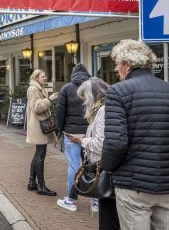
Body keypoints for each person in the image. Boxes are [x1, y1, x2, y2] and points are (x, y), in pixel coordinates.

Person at [101, 39, 169, 230]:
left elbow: (116, 143)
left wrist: (107, 167)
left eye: (117, 63)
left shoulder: (118, 91)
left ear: (128, 64)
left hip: (133, 184)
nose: (116, 69)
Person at [63, 78, 120, 229]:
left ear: (93, 95)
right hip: (103, 165)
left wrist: (81, 141)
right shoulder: (101, 110)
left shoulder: (103, 111)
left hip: (103, 166)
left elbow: (101, 143)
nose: (84, 103)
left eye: (85, 99)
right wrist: (85, 138)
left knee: (109, 214)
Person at [55, 64, 91, 211]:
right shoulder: (93, 87)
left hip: (71, 133)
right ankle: (96, 202)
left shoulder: (66, 88)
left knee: (73, 166)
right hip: (89, 133)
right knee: (91, 166)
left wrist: (60, 129)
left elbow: (60, 112)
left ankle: (71, 200)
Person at [26, 69, 59, 196]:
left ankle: (32, 183)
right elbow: (37, 108)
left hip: (39, 125)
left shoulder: (38, 88)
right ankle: (41, 186)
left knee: (38, 153)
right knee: (40, 154)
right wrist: (50, 99)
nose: (45, 78)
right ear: (36, 77)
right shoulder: (34, 89)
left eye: (45, 76)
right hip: (38, 126)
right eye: (43, 76)